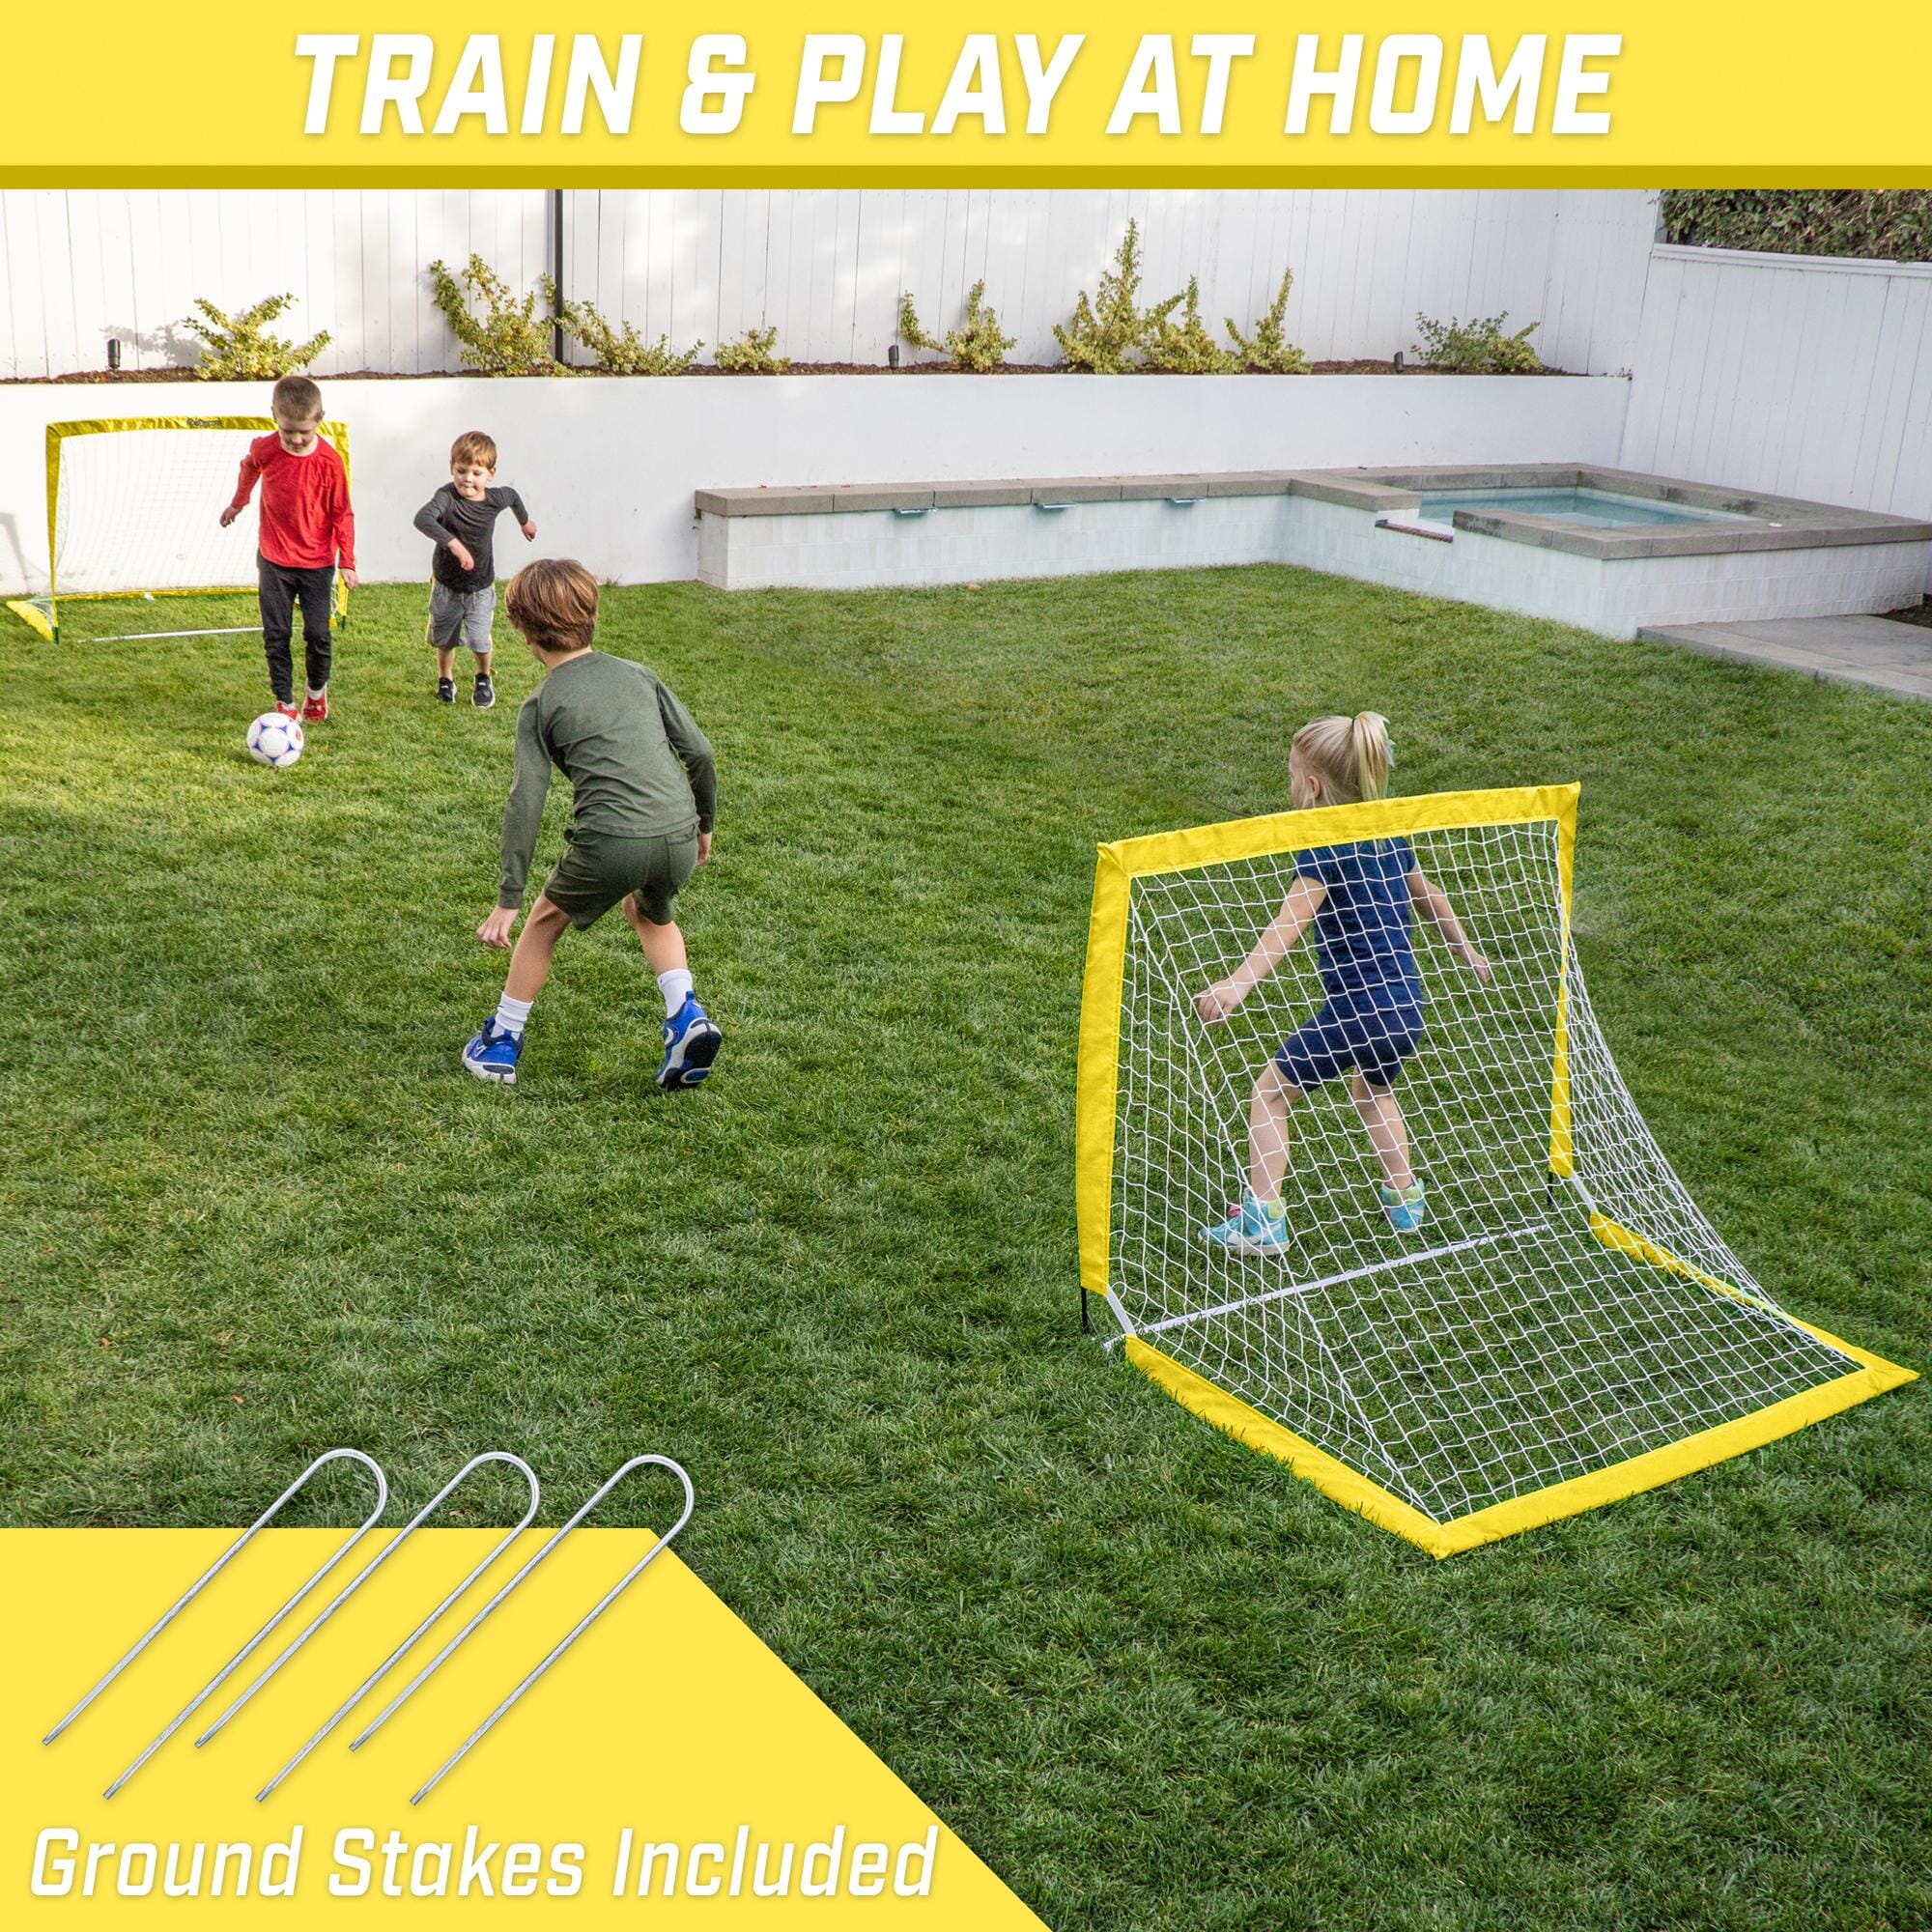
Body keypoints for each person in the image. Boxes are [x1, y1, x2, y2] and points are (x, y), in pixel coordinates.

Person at [1195, 713, 1490, 1253]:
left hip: (1360, 1008)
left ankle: (1263, 1220)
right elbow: (1428, 895)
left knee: (1270, 1093)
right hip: (1407, 1007)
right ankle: (1406, 1200)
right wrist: (1461, 945)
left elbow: (1288, 925)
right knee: (1373, 1093)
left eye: (1290, 778)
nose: (1288, 787)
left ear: (1312, 788)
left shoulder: (1322, 847)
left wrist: (1236, 985)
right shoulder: (1385, 834)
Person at [464, 558, 722, 1091]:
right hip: (676, 830)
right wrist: (703, 824)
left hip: (610, 839)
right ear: (592, 617)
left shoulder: (541, 702)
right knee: (649, 911)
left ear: (524, 632)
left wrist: (509, 898)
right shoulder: (638, 674)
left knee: (543, 922)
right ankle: (686, 1015)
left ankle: (501, 1043)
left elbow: (526, 801)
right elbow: (699, 752)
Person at [219, 374, 355, 722]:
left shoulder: (329, 463)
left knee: (318, 635)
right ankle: (284, 700)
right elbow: (249, 468)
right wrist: (239, 502)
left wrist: (347, 561)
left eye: (304, 432)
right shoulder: (265, 449)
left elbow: (342, 513)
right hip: (274, 560)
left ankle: (315, 694)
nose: (295, 439)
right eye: (287, 431)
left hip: (317, 562)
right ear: (274, 418)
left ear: (319, 420)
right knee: (276, 633)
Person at [412, 430, 537, 709]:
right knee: (445, 637)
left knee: (480, 639)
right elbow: (422, 518)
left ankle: (483, 676)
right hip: (446, 585)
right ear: (451, 468)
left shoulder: (495, 499)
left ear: (490, 474)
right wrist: (453, 544)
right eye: (461, 470)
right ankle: (446, 680)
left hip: (480, 587)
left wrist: (525, 523)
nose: (468, 478)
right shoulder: (446, 497)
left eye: (477, 472)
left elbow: (514, 497)